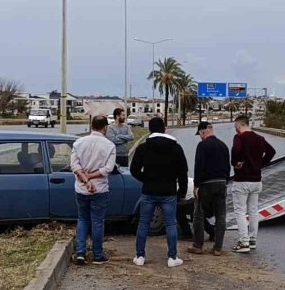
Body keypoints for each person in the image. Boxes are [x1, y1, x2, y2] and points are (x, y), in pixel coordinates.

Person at [130, 116, 188, 268]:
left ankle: (140, 256)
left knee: (143, 223)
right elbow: (183, 172)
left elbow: (134, 169)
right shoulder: (176, 148)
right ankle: (172, 257)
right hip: (169, 192)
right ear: (164, 128)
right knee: (170, 224)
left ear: (149, 130)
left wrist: (146, 179)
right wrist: (181, 193)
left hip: (149, 191)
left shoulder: (143, 148)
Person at [70, 115, 117, 265]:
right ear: (105, 128)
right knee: (97, 221)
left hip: (81, 188)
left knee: (82, 219)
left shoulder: (78, 143)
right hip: (100, 189)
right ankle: (98, 255)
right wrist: (91, 177)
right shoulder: (109, 146)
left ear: (91, 126)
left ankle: (80, 252)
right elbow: (108, 169)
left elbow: (74, 166)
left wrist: (86, 179)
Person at [230, 114, 276, 253]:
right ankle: (252, 239)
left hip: (242, 180)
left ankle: (244, 242)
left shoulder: (239, 137)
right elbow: (271, 151)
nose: (235, 129)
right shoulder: (259, 138)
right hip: (256, 180)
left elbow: (236, 150)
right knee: (253, 211)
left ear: (239, 125)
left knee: (240, 211)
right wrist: (260, 164)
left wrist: (235, 162)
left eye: (236, 126)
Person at [188, 121, 230, 256]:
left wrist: (196, 185)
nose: (200, 137)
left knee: (198, 214)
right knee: (220, 215)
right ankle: (218, 248)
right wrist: (225, 181)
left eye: (199, 134)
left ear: (202, 132)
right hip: (221, 183)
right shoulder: (223, 145)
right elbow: (227, 166)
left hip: (206, 184)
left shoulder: (202, 145)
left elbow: (199, 166)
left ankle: (198, 245)